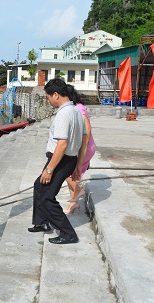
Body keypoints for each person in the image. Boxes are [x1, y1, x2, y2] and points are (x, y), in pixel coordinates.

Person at [28, 78, 86, 245]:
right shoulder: (77, 112)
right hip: (69, 159)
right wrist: (77, 165)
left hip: (60, 160)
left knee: (47, 197)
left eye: (48, 97)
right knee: (39, 186)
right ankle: (42, 222)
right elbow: (82, 142)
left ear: (56, 95)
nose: (48, 101)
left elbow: (62, 144)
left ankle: (68, 233)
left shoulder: (64, 114)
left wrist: (49, 169)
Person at [65, 85, 96, 214]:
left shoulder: (78, 108)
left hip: (85, 147)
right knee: (72, 175)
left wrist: (82, 150)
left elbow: (87, 130)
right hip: (83, 147)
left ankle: (78, 191)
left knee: (65, 172)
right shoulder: (77, 107)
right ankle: (73, 204)